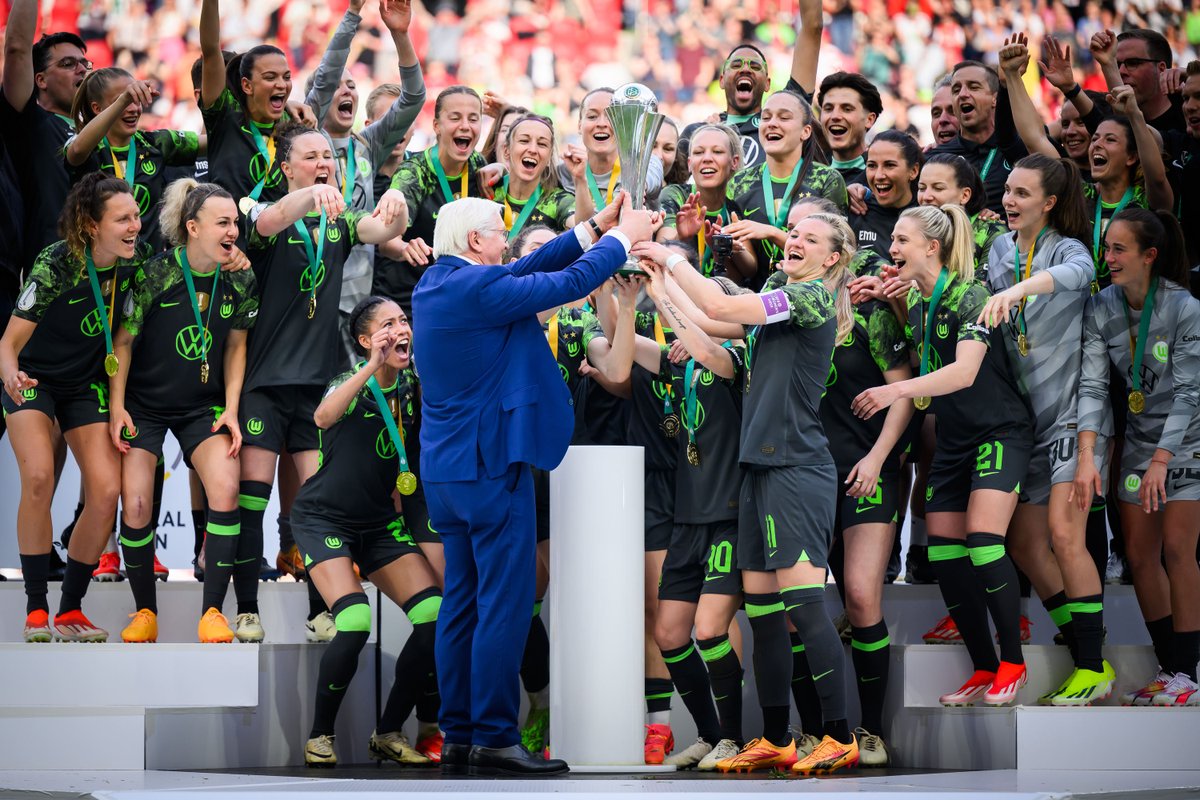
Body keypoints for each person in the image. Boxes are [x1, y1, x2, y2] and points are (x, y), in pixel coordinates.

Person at [414, 192, 657, 776]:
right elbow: (565, 284)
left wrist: (592, 226)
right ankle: (497, 735)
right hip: (490, 465)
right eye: (499, 232)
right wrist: (623, 238)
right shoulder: (477, 290)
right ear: (476, 242)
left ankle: (462, 734)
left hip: (448, 473)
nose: (507, 239)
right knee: (504, 603)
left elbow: (526, 269)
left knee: (463, 604)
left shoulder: (440, 284)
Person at [638, 213, 860, 775]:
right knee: (763, 615)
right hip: (758, 472)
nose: (796, 242)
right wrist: (659, 286)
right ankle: (779, 737)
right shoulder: (778, 306)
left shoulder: (810, 297)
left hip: (798, 470)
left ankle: (839, 734)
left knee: (804, 609)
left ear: (832, 259)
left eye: (810, 239)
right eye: (794, 234)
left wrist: (672, 257)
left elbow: (719, 308)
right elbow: (708, 337)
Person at [236, 124, 410, 643]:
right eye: (310, 156)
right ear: (286, 166)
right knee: (252, 498)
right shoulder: (256, 206)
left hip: (313, 386)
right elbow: (270, 220)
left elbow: (380, 230)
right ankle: (246, 608)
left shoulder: (338, 221)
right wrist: (310, 193)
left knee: (315, 503)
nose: (324, 163)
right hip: (263, 383)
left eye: (328, 157)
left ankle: (321, 607)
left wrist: (395, 200)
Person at [853, 205, 1033, 708]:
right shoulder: (916, 299)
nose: (892, 250)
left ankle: (1014, 664)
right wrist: (891, 306)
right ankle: (983, 666)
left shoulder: (972, 293)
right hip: (954, 436)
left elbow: (963, 373)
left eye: (902, 241)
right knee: (945, 553)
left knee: (981, 539)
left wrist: (895, 391)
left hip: (1000, 430)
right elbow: (925, 356)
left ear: (932, 247)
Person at [977, 152, 1112, 705]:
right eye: (1007, 190)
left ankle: (1093, 664)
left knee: (1063, 534)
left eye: (1022, 194)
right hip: (1025, 421)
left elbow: (1079, 276)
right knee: (1028, 543)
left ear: (1050, 203)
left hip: (1076, 418)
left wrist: (1017, 290)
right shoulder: (1000, 247)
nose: (1009, 201)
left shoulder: (1068, 249)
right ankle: (1078, 636)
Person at [1, 173, 149, 643]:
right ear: (90, 226)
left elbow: (185, 268)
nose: (135, 226)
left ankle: (70, 609)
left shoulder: (136, 263)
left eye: (137, 216)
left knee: (106, 493)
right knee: (40, 478)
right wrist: (10, 376)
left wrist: (231, 258)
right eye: (123, 219)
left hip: (85, 387)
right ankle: (36, 608)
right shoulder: (57, 263)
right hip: (33, 381)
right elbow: (8, 343)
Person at [106, 179, 256, 644]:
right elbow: (124, 342)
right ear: (193, 227)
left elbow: (235, 348)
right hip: (145, 407)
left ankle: (212, 611)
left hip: (200, 408)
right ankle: (144, 612)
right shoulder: (155, 274)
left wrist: (230, 409)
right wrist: (117, 408)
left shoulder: (241, 276)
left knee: (227, 490)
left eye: (235, 222)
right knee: (134, 503)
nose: (234, 230)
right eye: (223, 223)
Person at [297, 296, 445, 766]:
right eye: (387, 324)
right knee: (356, 621)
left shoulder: (416, 383)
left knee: (435, 617)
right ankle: (320, 735)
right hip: (324, 519)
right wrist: (371, 365)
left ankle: (388, 731)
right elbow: (322, 417)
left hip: (380, 523)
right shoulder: (349, 382)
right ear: (365, 339)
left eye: (404, 321)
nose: (400, 329)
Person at [1075, 208, 1200, 707]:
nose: (1108, 259)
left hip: (1186, 442)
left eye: (1119, 250)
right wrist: (1088, 451)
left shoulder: (1184, 306)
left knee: (1176, 549)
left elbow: (1191, 393)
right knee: (1141, 556)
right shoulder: (1101, 306)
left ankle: (1188, 674)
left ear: (1150, 256)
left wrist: (1162, 459)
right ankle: (1172, 670)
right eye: (1106, 248)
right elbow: (1091, 383)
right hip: (1139, 443)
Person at [65, 68, 203, 251]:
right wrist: (125, 98)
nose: (133, 109)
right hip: (99, 269)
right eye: (123, 101)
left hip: (147, 270)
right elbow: (77, 151)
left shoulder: (155, 143)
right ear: (97, 108)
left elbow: (216, 142)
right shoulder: (87, 146)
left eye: (136, 100)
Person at [722, 90, 848, 290]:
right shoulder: (739, 182)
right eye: (766, 117)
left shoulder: (827, 180)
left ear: (805, 132)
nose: (772, 123)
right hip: (756, 300)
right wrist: (732, 248)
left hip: (810, 297)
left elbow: (838, 254)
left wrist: (772, 233)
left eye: (784, 117)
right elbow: (750, 269)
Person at [677, 0, 821, 168]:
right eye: (737, 65)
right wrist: (708, 135)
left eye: (754, 66)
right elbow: (675, 186)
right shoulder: (697, 133)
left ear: (767, 84)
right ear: (722, 80)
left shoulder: (784, 120)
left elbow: (813, 26)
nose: (745, 69)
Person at [387, 86, 489, 272]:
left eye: (473, 119)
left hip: (457, 289)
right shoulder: (414, 172)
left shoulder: (478, 163)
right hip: (411, 293)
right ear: (436, 126)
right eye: (455, 118)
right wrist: (404, 248)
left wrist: (500, 168)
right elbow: (387, 242)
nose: (465, 125)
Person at [929, 61, 1024, 214]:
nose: (963, 94)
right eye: (956, 90)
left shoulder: (1019, 148)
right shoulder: (933, 159)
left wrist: (1012, 80)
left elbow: (1042, 135)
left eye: (973, 87)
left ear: (995, 98)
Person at [657, 124, 742, 278]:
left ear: (734, 162)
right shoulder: (676, 195)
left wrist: (727, 251)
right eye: (698, 152)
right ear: (690, 163)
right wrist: (681, 236)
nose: (707, 158)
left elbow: (749, 270)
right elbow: (661, 248)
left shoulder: (733, 208)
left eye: (717, 152)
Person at [493, 115, 576, 237]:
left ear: (549, 157)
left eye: (542, 144)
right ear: (507, 150)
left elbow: (582, 230)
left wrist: (580, 180)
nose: (533, 149)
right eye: (524, 141)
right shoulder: (487, 189)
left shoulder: (557, 201)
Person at [850, 130, 922, 261]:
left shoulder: (928, 218)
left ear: (913, 171)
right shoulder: (854, 208)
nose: (879, 176)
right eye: (871, 166)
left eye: (889, 165)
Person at [816, 72, 883, 186]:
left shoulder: (883, 176)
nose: (835, 116)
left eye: (847, 109)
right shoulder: (808, 172)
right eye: (828, 108)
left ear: (869, 119)